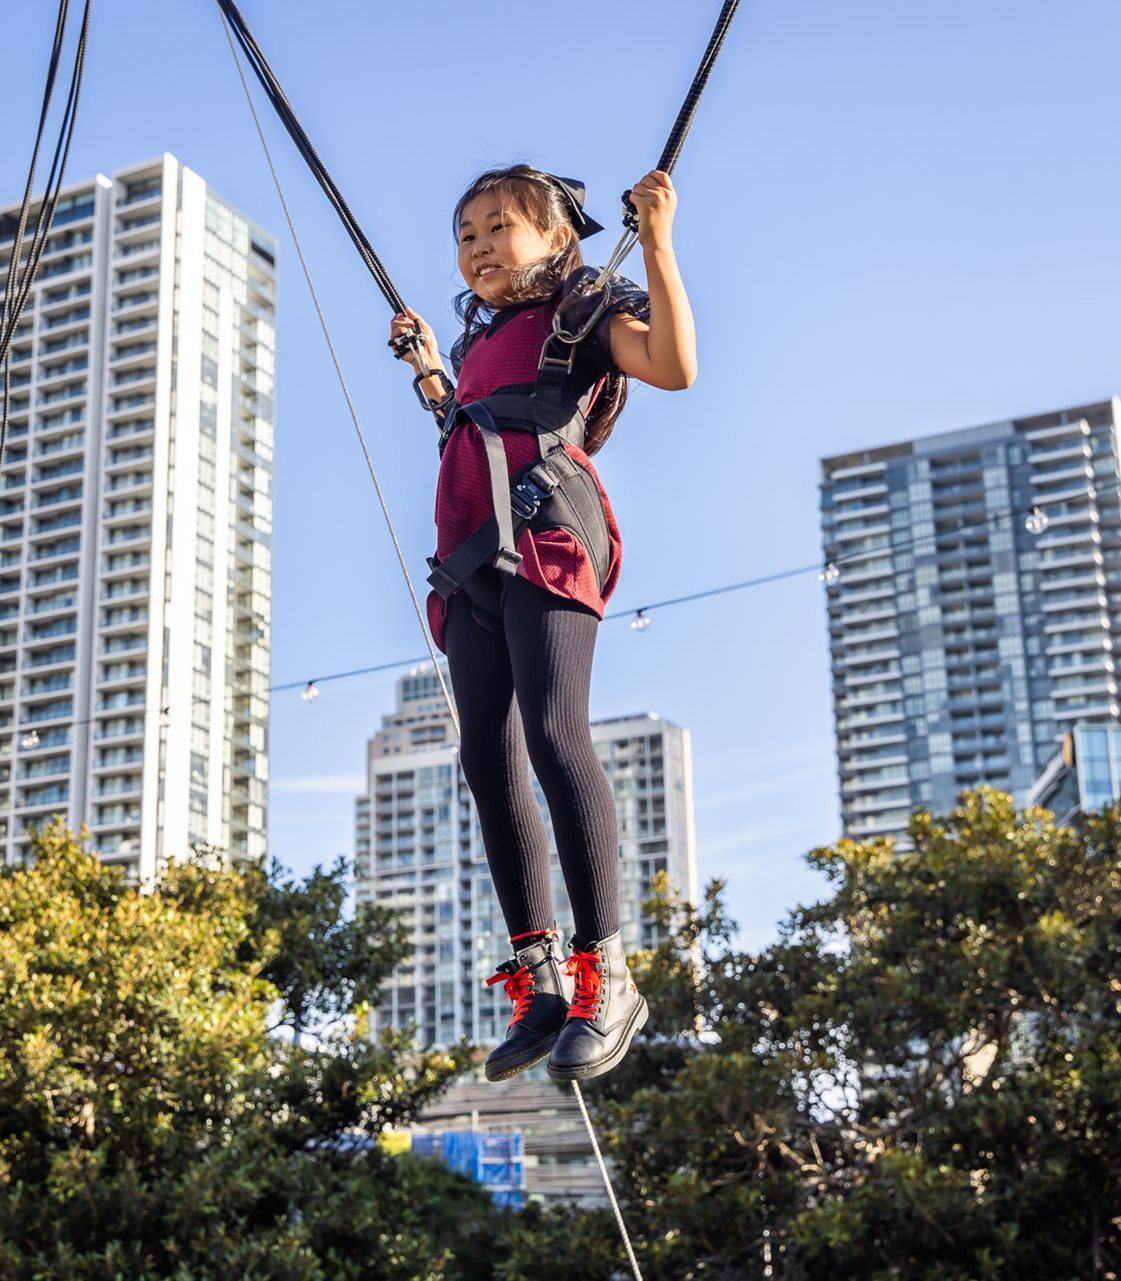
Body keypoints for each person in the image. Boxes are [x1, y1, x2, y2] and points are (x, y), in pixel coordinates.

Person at [388, 164, 697, 1081]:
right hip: (473, 551)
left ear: (558, 237)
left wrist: (662, 240)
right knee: (486, 755)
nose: (478, 245)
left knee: (558, 734)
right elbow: (470, 425)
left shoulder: (588, 309)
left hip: (549, 530)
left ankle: (609, 972)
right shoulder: (485, 337)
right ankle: (543, 976)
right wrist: (433, 372)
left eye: (499, 227)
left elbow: (676, 366)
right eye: (466, 233)